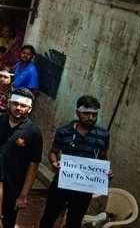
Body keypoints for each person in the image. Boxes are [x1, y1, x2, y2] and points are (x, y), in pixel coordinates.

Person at [39, 96, 111, 228]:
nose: (91, 117)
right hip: (62, 182)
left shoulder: (103, 135)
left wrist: (105, 171)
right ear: (78, 113)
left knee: (75, 221)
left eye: (94, 114)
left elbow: (103, 157)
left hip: (84, 187)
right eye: (86, 113)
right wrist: (54, 162)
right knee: (49, 216)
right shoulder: (64, 131)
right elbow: (53, 152)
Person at [0, 88, 42, 228]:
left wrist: (23, 195)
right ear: (9, 103)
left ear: (29, 109)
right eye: (15, 103)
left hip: (12, 189)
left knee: (5, 223)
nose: (18, 108)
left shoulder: (33, 133)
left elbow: (33, 165)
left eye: (23, 106)